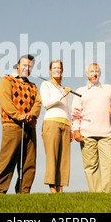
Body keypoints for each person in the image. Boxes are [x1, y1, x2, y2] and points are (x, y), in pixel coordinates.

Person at [0, 54, 42, 194]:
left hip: (30, 126)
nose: (27, 68)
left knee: (29, 163)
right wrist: (18, 115)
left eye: (30, 66)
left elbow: (37, 103)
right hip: (12, 125)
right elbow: (5, 100)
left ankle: (23, 193)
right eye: (24, 65)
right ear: (18, 65)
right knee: (7, 161)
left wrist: (31, 115)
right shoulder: (7, 79)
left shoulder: (33, 86)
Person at [71, 63, 111, 193]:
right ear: (86, 73)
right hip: (86, 134)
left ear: (100, 74)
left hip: (106, 134)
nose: (94, 73)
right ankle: (96, 195)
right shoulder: (80, 91)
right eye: (92, 71)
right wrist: (76, 131)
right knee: (90, 166)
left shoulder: (108, 89)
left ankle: (108, 195)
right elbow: (75, 114)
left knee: (108, 165)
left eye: (97, 71)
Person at [40, 60, 73, 193]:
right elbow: (47, 103)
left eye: (59, 68)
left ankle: (60, 190)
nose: (57, 70)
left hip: (65, 124)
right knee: (52, 156)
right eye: (54, 68)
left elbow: (67, 109)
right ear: (50, 70)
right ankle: (53, 190)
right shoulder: (46, 84)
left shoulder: (62, 88)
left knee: (64, 159)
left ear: (62, 70)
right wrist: (63, 94)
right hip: (52, 122)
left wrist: (71, 127)